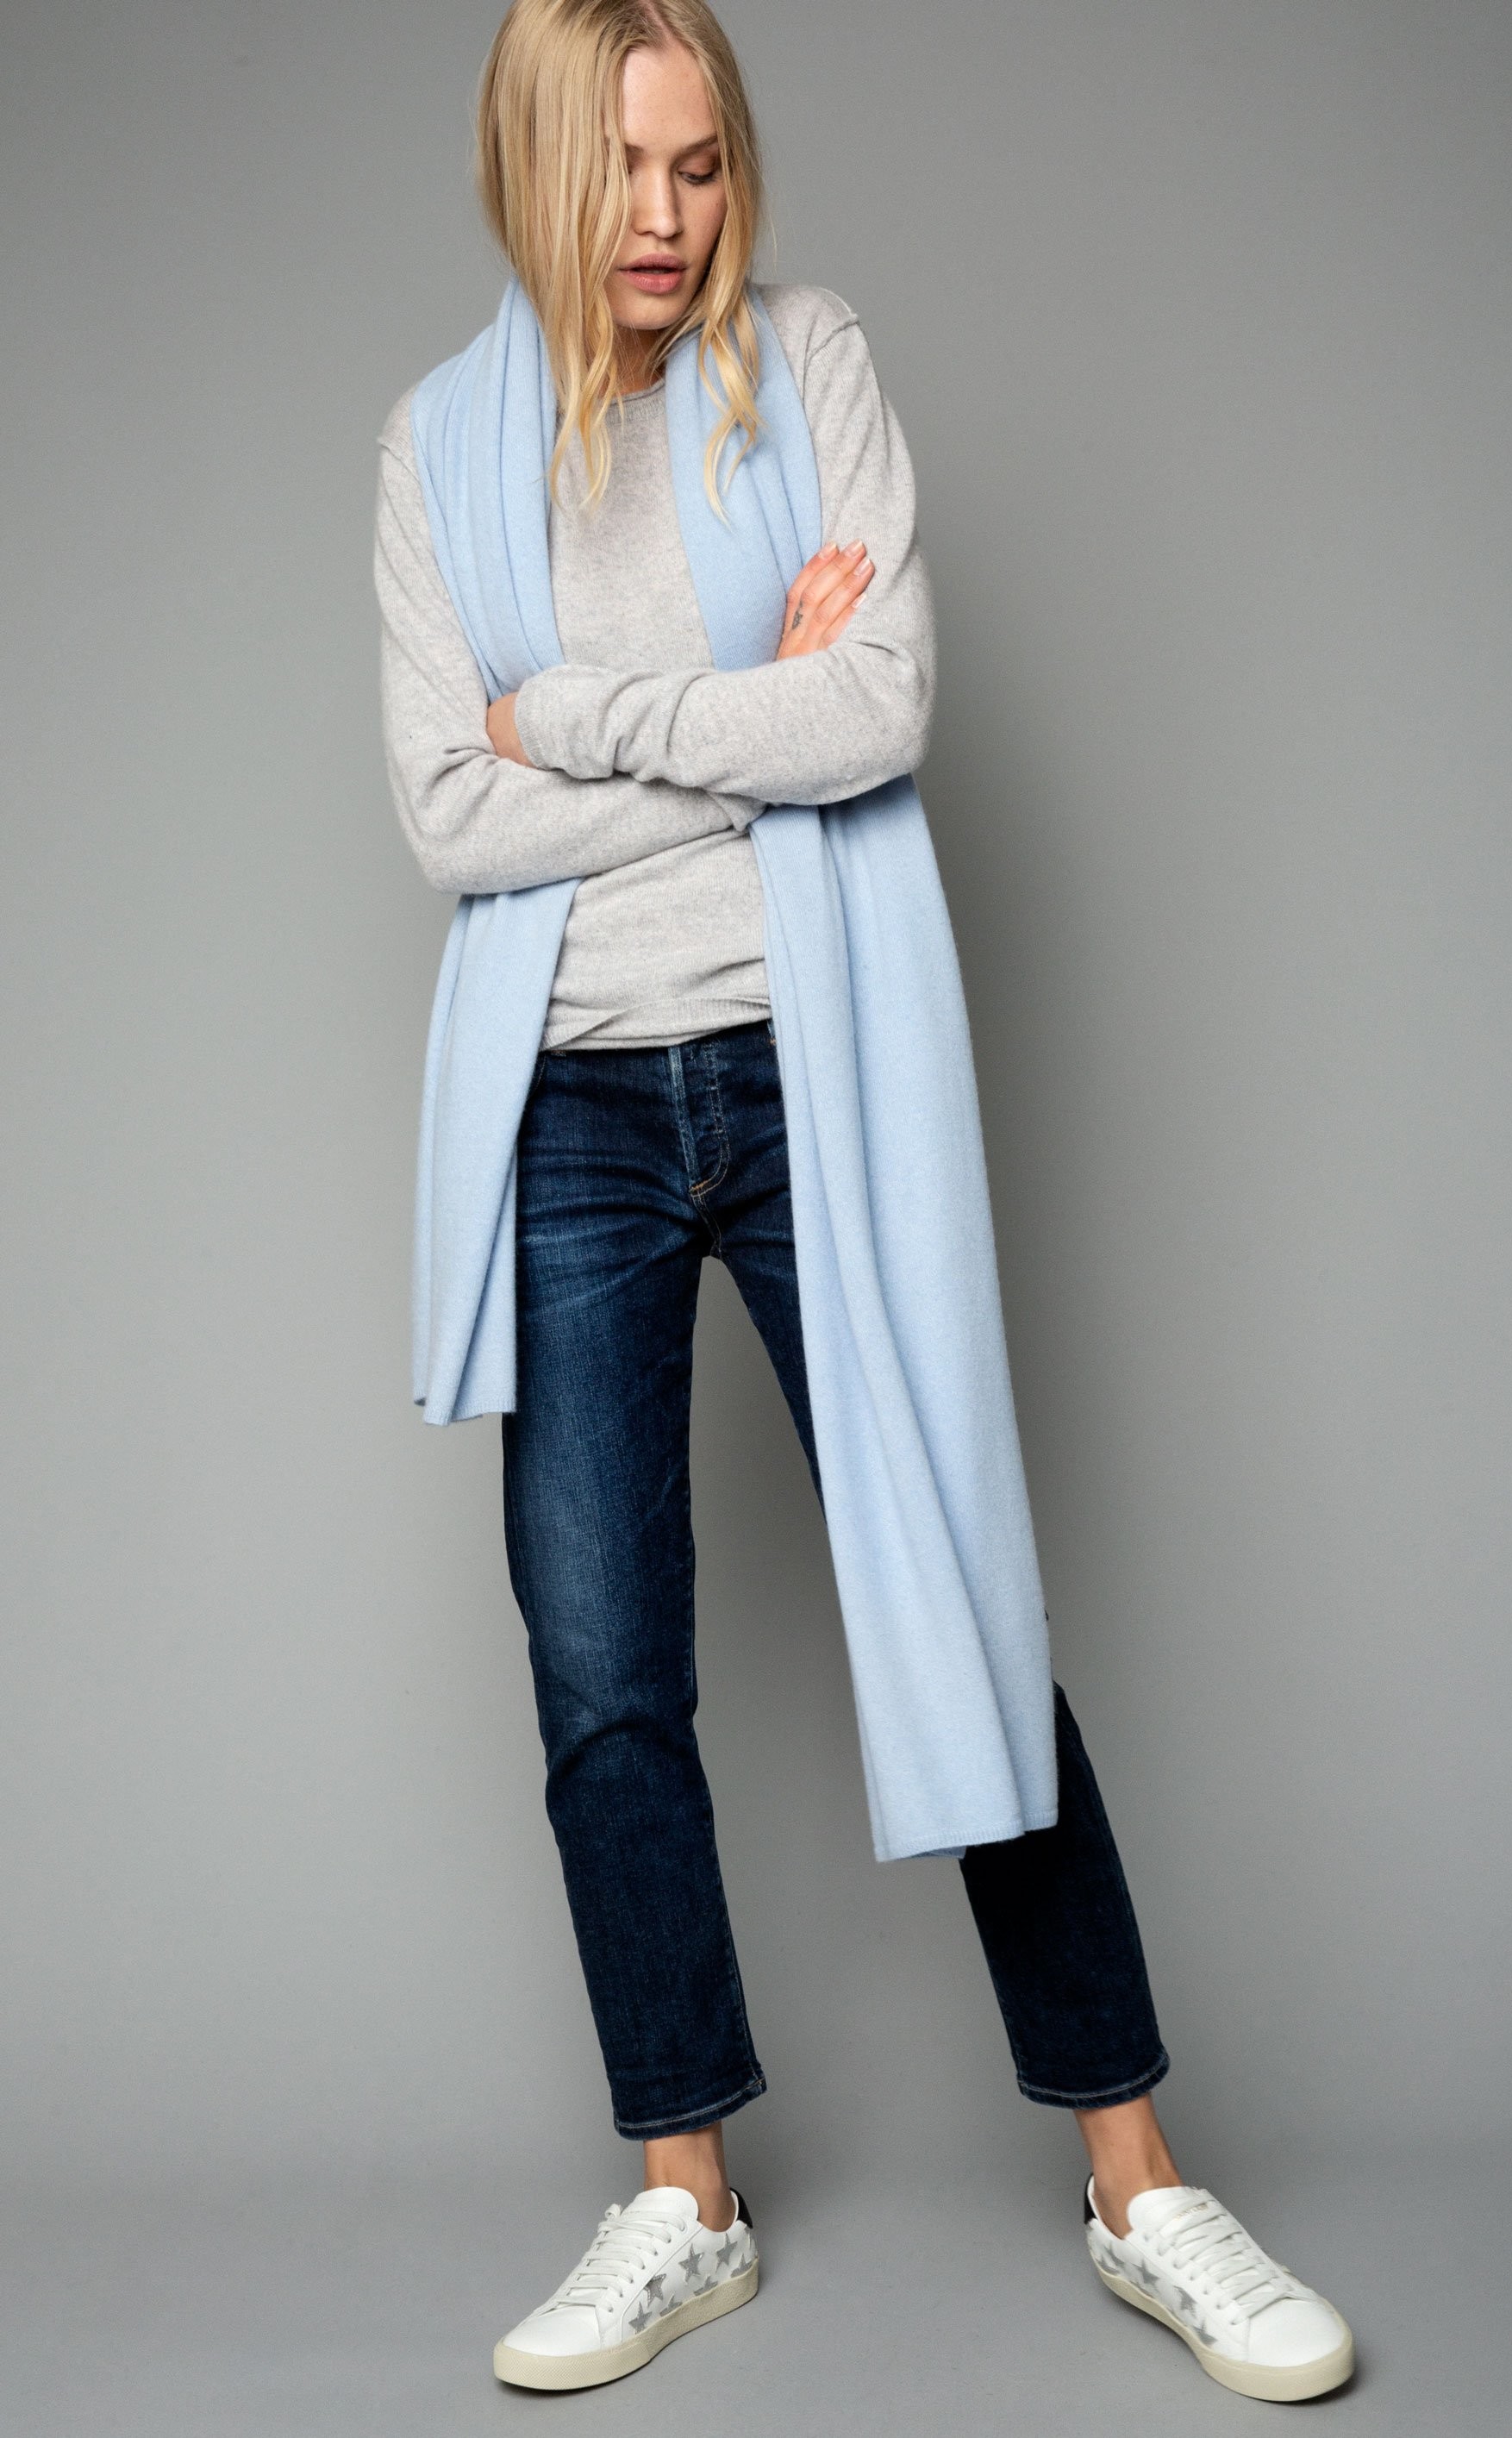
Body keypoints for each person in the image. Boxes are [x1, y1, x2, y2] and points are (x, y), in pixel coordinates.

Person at [372, 0, 1353, 2404]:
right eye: (626, 169)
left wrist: (571, 713)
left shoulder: (806, 371)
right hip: (571, 1112)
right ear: (533, 168)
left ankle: (1140, 2178)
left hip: (821, 1071)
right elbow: (443, 816)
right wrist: (748, 724)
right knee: (603, 1666)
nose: (669, 217)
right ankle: (680, 2197)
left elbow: (879, 710)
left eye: (703, 164)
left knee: (957, 1590)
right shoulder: (435, 450)